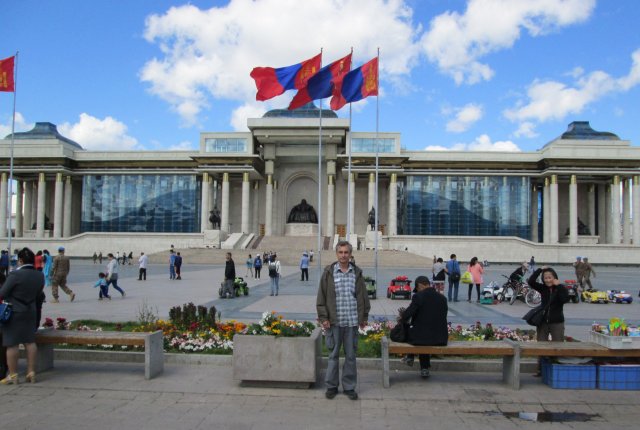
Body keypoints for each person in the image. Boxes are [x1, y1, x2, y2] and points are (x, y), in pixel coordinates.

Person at [317, 240, 370, 400]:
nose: (343, 255)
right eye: (340, 252)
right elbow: (321, 297)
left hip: (352, 321)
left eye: (346, 252)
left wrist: (363, 317)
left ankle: (349, 387)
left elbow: (363, 297)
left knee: (351, 356)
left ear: (350, 254)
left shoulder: (357, 273)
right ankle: (331, 386)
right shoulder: (328, 273)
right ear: (336, 254)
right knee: (333, 355)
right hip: (334, 322)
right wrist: (323, 318)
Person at [0, 247, 45, 385]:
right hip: (30, 311)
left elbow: (3, 293)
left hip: (14, 312)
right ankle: (31, 372)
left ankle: (13, 375)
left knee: (12, 344)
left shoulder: (15, 275)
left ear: (20, 260)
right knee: (30, 342)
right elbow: (39, 294)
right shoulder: (39, 275)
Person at [399, 276, 448, 378]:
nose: (417, 291)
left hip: (422, 338)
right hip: (440, 338)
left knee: (413, 331)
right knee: (423, 332)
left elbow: (406, 315)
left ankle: (410, 356)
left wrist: (402, 316)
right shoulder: (443, 298)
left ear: (420, 285)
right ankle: (424, 368)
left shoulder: (418, 297)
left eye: (417, 289)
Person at [527, 266, 570, 376]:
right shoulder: (543, 288)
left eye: (550, 277)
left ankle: (557, 369)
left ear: (555, 278)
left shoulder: (560, 288)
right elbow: (531, 281)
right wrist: (540, 269)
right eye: (545, 278)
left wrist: (559, 286)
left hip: (557, 322)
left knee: (558, 346)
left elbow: (565, 299)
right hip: (543, 322)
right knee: (541, 346)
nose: (547, 280)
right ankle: (540, 370)